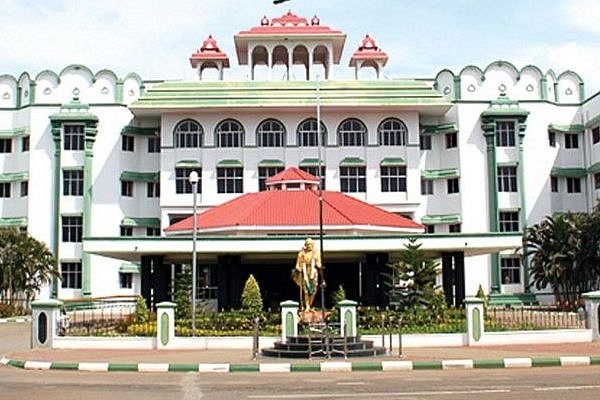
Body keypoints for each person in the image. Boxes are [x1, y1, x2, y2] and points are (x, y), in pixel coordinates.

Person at [292, 238, 322, 312]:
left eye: (310, 244)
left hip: (313, 272)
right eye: (308, 244)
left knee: (314, 289)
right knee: (305, 291)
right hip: (305, 272)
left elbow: (319, 263)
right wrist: (300, 269)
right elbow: (297, 265)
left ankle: (311, 304)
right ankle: (307, 306)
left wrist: (319, 265)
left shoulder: (316, 253)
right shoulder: (301, 254)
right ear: (305, 245)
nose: (309, 246)